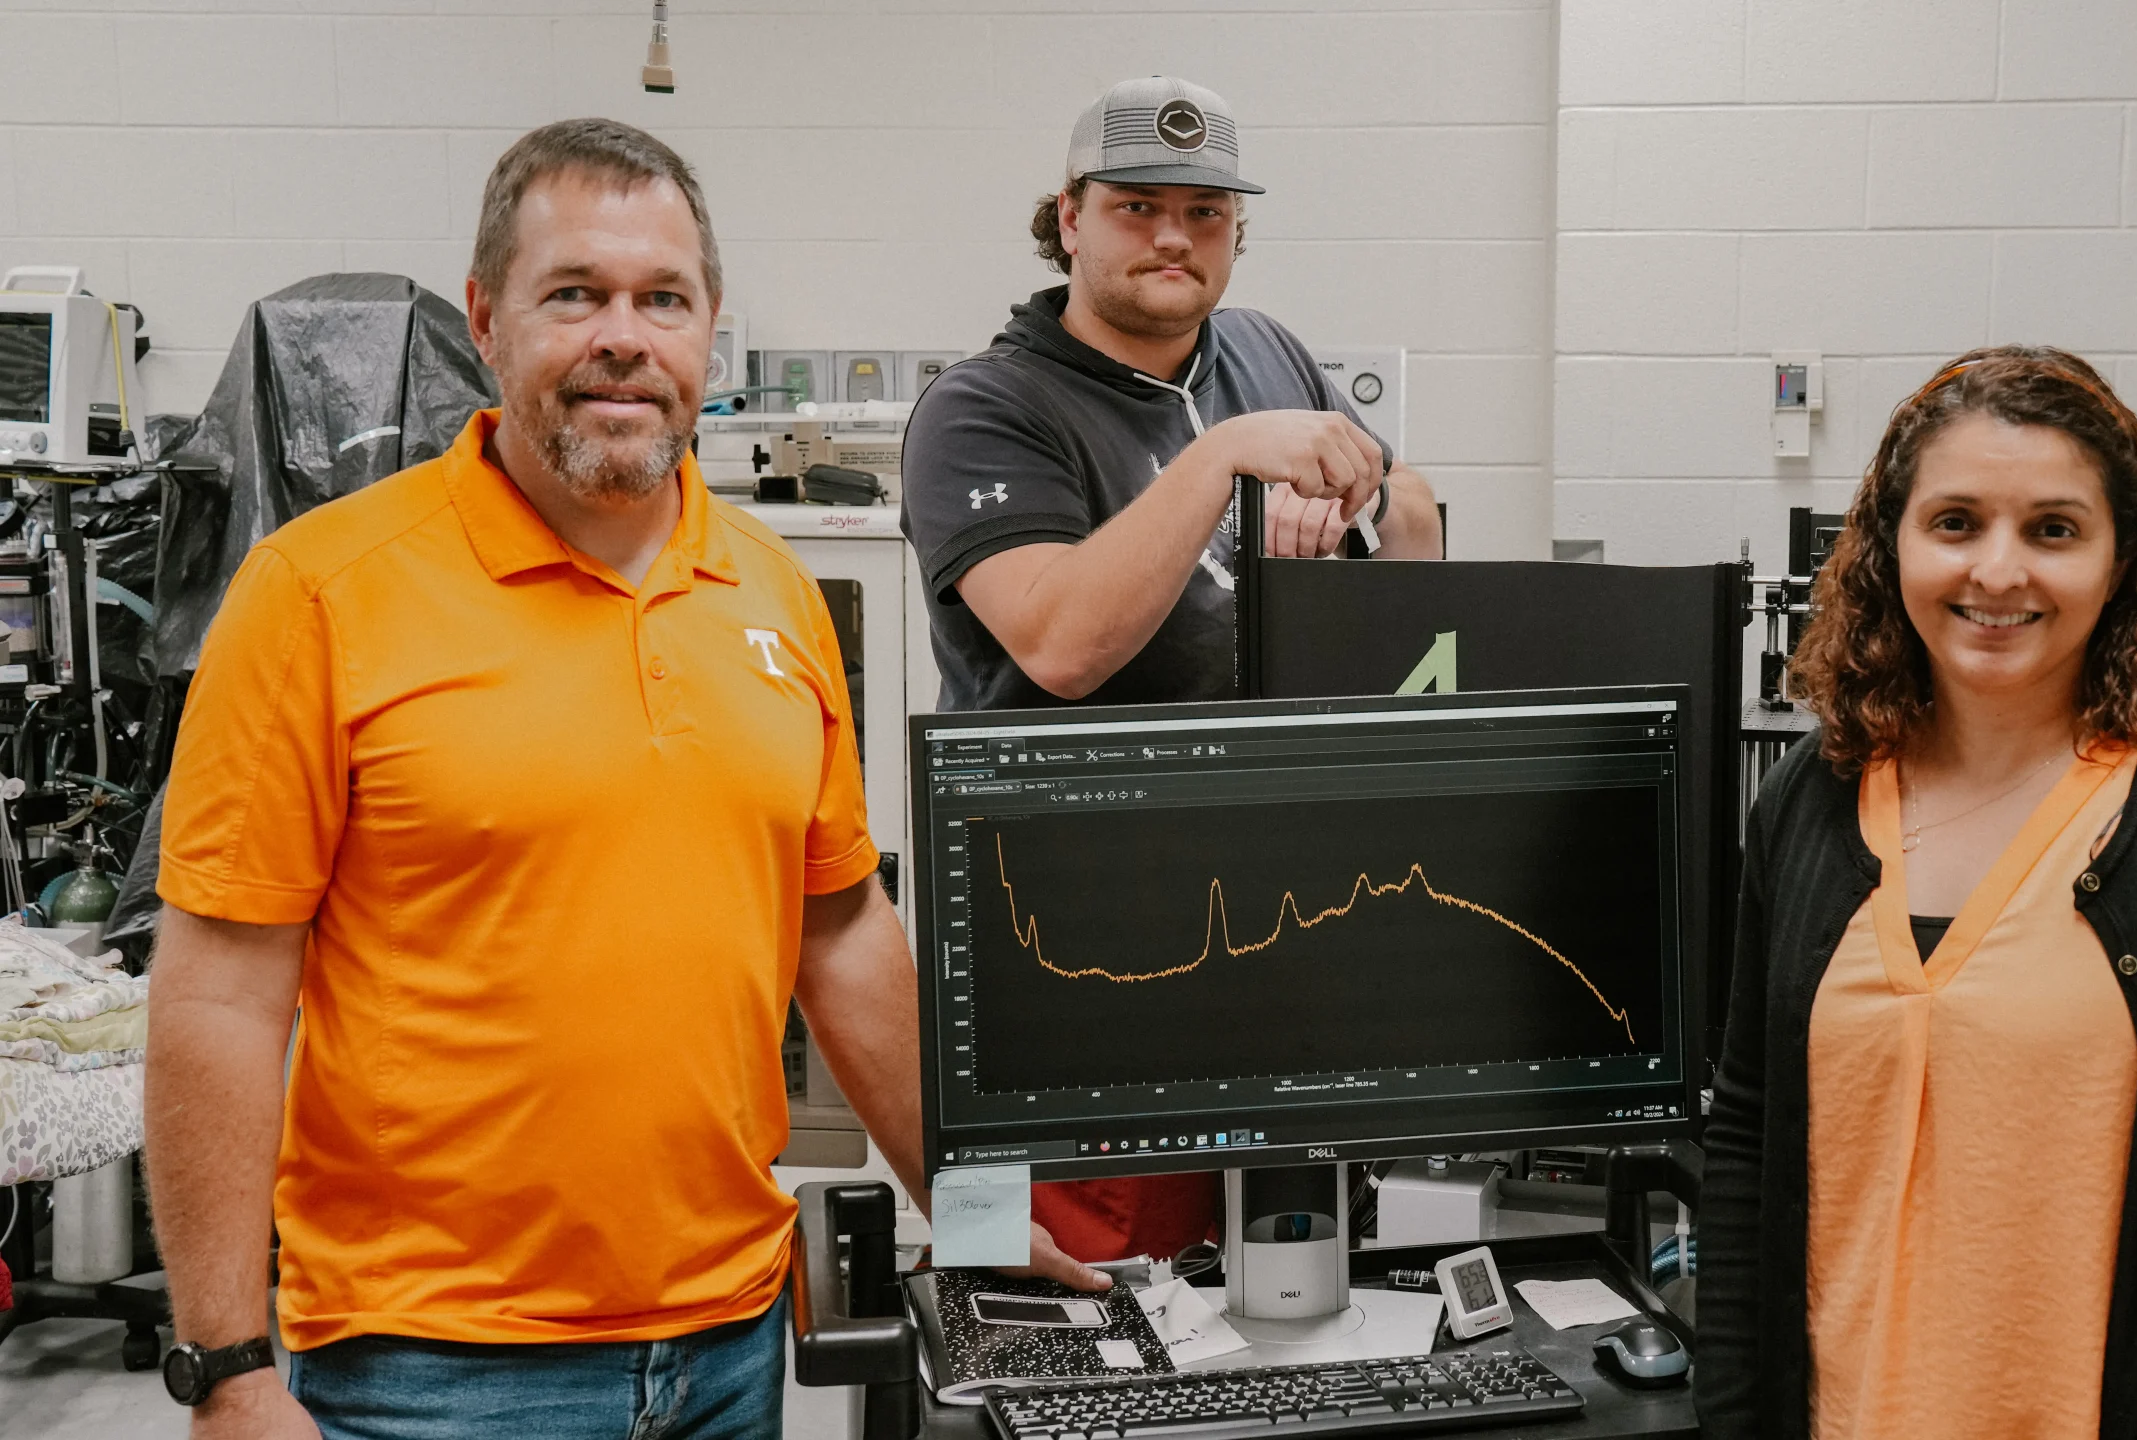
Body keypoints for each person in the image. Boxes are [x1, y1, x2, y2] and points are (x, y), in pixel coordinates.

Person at [143, 118, 1086, 1440]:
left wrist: (979, 1211)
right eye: (573, 295)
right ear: (486, 318)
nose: (624, 339)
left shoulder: (772, 591)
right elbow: (221, 997)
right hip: (431, 1368)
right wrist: (227, 1365)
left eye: (664, 299)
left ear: (711, 329)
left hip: (728, 1346)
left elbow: (843, 934)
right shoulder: (322, 592)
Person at [1693, 346, 2137, 1440]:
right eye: (1956, 521)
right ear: (1889, 548)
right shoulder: (1811, 803)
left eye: (2053, 529)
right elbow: (1745, 1135)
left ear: (2125, 560)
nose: (1999, 570)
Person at [899, 76, 1443, 1267]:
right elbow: (1060, 644)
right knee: (1104, 1304)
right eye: (1137, 204)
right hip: (1083, 955)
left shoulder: (1265, 349)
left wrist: (1363, 517)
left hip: (1280, 929)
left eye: (1204, 213)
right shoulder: (983, 408)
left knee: (1287, 1279)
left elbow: (1416, 519)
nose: (1171, 238)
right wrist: (1229, 459)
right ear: (1069, 217)